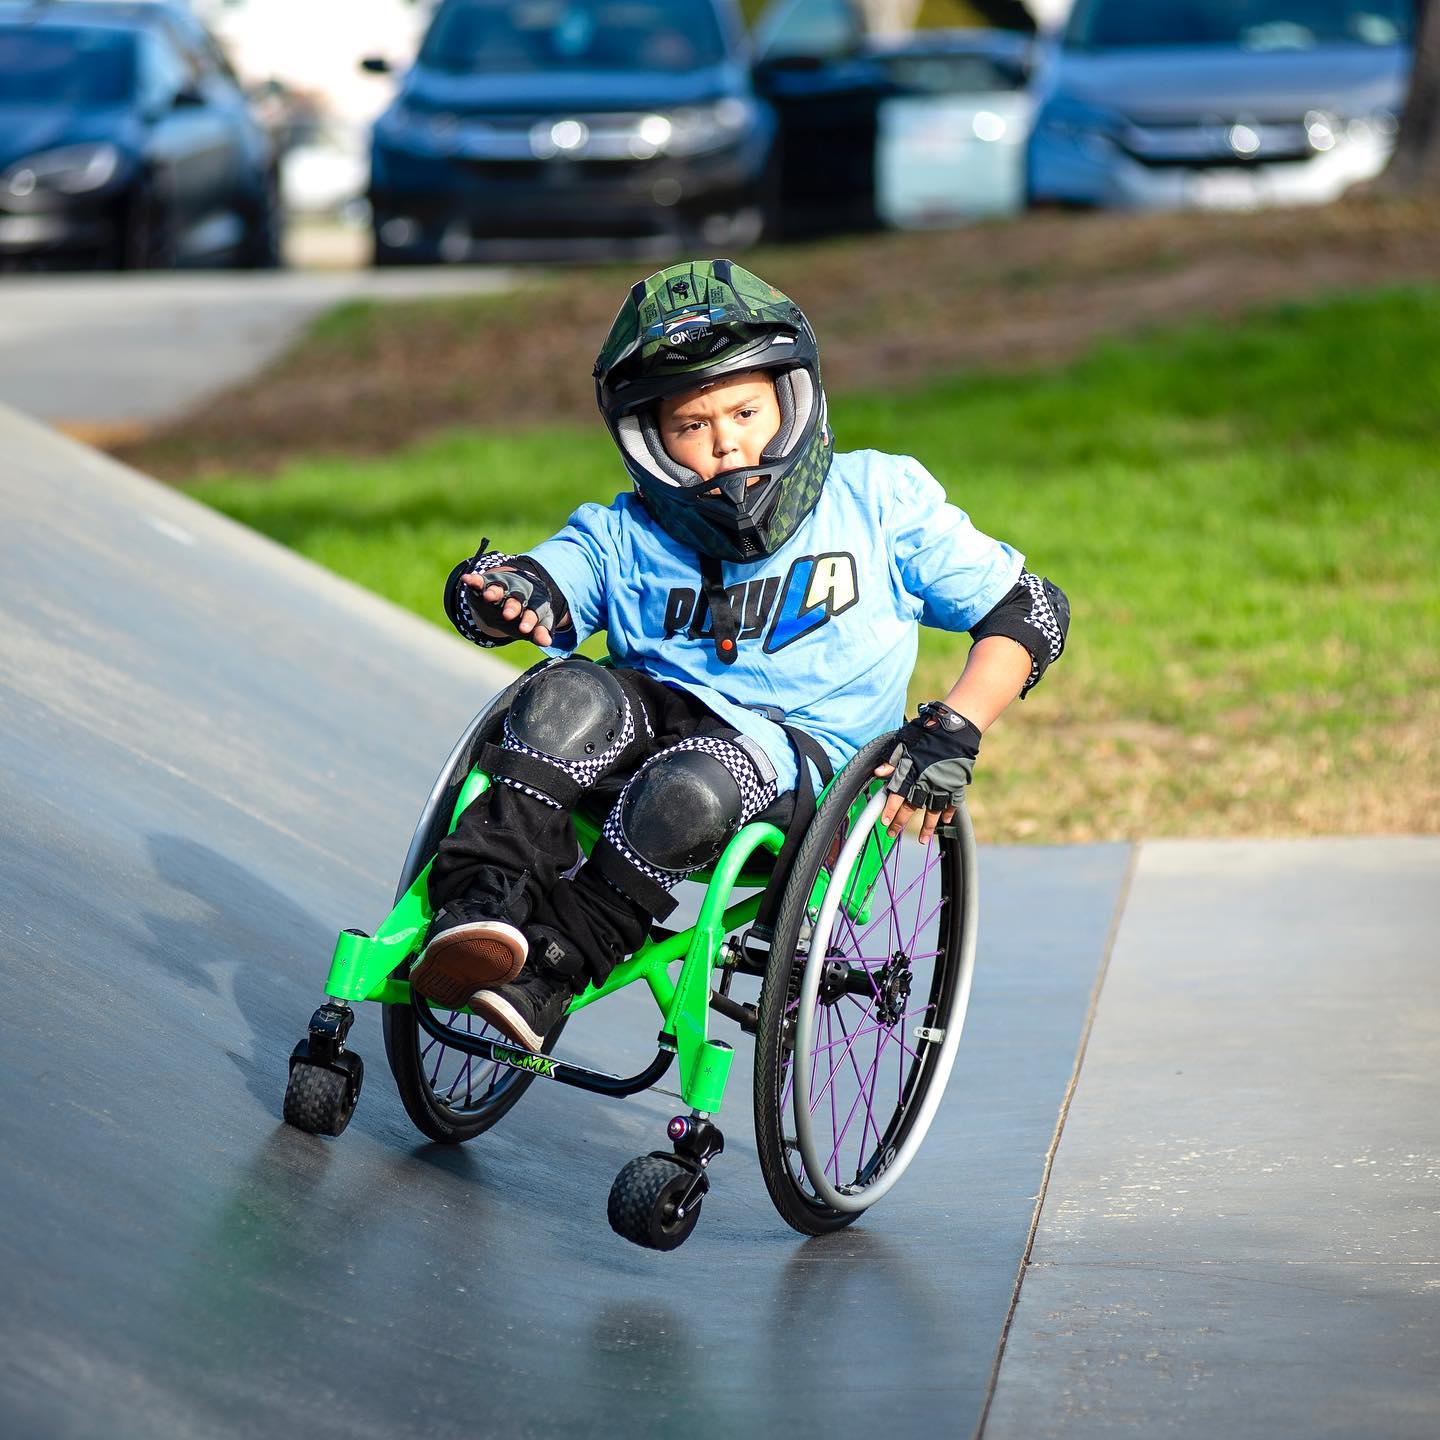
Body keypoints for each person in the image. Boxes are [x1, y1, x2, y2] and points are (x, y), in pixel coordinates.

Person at [409, 259, 1069, 1051]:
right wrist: (503, 594)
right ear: (651, 442)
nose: (726, 443)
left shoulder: (878, 501)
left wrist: (956, 728)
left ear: (793, 403)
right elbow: (549, 581)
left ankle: (553, 968)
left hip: (802, 772)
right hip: (645, 737)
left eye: (747, 412)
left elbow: (1030, 609)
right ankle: (477, 908)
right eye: (691, 427)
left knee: (691, 781)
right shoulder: (626, 533)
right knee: (562, 695)